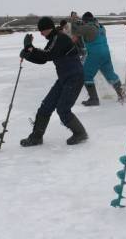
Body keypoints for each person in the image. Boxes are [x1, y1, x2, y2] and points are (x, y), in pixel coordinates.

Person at [19, 17, 88, 146]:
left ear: (48, 28)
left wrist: (30, 47)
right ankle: (36, 137)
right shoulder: (54, 39)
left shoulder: (60, 38)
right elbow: (43, 59)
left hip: (74, 78)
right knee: (46, 106)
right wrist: (27, 54)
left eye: (42, 31)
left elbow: (47, 55)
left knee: (63, 109)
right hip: (64, 78)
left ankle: (80, 133)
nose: (41, 34)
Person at [71, 12, 126, 106]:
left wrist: (73, 20)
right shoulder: (100, 27)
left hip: (95, 54)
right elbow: (87, 31)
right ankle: (122, 95)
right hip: (106, 54)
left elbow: (75, 31)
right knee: (110, 74)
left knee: (85, 75)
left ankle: (93, 99)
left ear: (85, 21)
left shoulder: (89, 27)